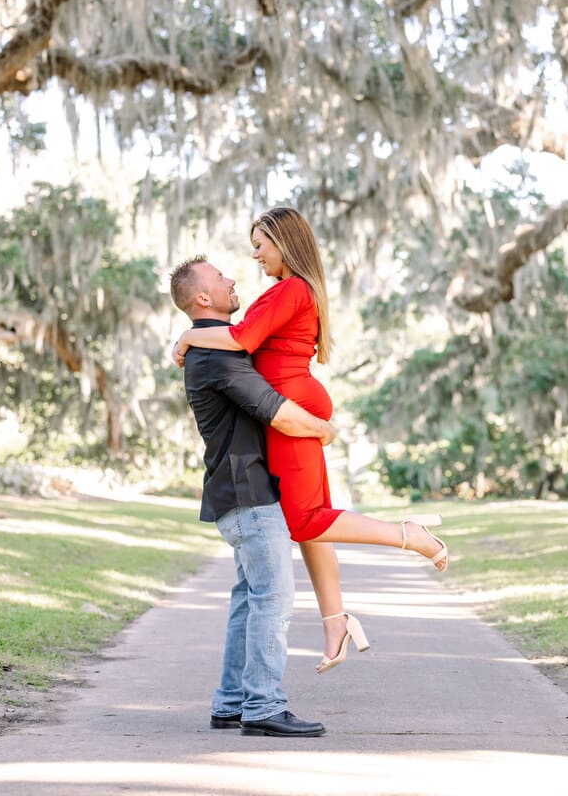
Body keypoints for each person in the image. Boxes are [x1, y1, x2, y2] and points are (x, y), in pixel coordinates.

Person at [172, 207, 448, 674]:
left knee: (305, 521)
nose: (255, 255)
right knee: (309, 518)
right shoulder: (287, 290)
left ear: (283, 243)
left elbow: (240, 340)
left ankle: (409, 536)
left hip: (291, 409)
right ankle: (335, 623)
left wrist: (186, 336)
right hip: (296, 401)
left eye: (260, 244)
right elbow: (243, 338)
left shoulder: (292, 288)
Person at [170, 253, 331, 738]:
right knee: (273, 598)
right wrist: (325, 429)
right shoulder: (218, 357)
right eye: (221, 278)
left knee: (248, 598)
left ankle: (232, 702)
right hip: (250, 496)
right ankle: (263, 706)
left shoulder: (211, 349)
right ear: (203, 297)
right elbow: (277, 412)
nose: (233, 278)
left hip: (237, 494)